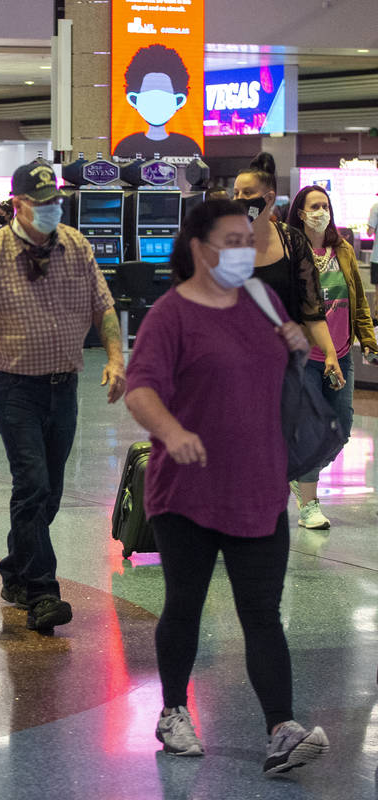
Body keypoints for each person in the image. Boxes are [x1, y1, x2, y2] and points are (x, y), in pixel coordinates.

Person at [123, 198, 329, 774]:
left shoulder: (262, 302)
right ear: (199, 249)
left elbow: (280, 380)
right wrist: (172, 431)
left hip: (259, 485)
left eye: (249, 240)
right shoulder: (171, 314)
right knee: (184, 606)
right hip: (188, 491)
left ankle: (281, 728)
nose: (245, 251)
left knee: (261, 612)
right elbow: (141, 388)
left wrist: (295, 347)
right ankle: (172, 710)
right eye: (233, 241)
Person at [0, 161, 125, 633]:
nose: (50, 209)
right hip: (13, 385)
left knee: (49, 494)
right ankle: (44, 592)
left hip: (63, 385)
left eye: (55, 202)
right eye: (41, 202)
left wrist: (115, 357)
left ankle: (14, 573)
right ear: (19, 204)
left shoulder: (76, 246)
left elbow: (103, 306)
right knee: (33, 483)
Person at [285, 185, 377, 529]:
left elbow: (359, 304)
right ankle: (309, 503)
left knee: (341, 429)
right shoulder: (291, 254)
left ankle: (299, 473)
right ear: (301, 213)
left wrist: (368, 340)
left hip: (341, 353)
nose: (321, 211)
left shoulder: (344, 251)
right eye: (314, 206)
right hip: (305, 358)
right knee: (310, 431)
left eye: (325, 205)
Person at [232, 154, 340, 391]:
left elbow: (311, 308)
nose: (239, 199)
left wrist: (330, 353)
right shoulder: (223, 243)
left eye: (247, 193)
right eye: (236, 193)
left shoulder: (291, 241)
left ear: (269, 198)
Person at [112, 44, 203, 159]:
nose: (156, 102)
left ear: (178, 100)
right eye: (149, 93)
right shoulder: (125, 146)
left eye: (163, 93)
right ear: (134, 99)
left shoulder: (190, 147)